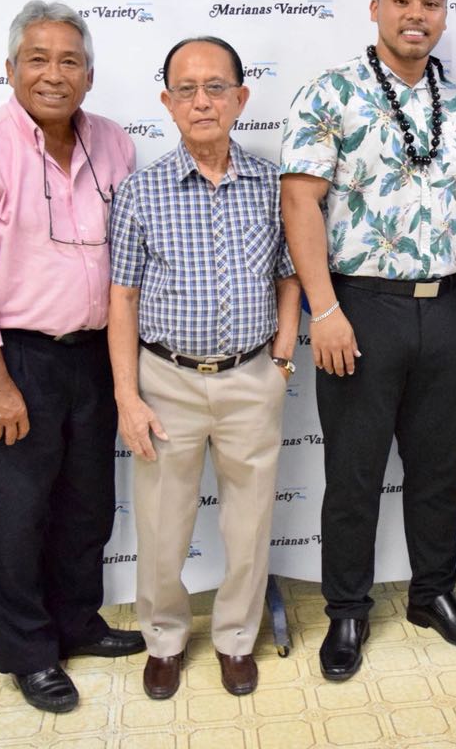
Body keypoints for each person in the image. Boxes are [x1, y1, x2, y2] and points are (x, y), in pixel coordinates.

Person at [279, 0, 456, 681]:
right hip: (358, 307)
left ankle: (433, 594)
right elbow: (300, 201)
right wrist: (325, 310)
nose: (416, 14)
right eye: (401, 0)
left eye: (431, 2)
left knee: (440, 471)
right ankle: (348, 609)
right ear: (376, 8)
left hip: (448, 307)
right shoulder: (329, 93)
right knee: (353, 471)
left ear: (445, 14)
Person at [0, 0, 142, 713]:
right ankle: (29, 652)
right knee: (12, 515)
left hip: (93, 355)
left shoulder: (113, 143)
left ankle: (77, 623)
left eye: (70, 60)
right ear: (11, 68)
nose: (54, 74)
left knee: (85, 507)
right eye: (38, 59)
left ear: (89, 74)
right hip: (10, 359)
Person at [107, 36, 301, 700]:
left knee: (248, 523)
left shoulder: (273, 185)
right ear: (166, 102)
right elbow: (122, 298)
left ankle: (236, 639)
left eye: (216, 87)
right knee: (162, 525)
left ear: (241, 98)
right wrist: (128, 397)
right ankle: (163, 638)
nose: (201, 101)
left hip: (252, 378)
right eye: (185, 89)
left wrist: (279, 358)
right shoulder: (140, 191)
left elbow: (289, 275)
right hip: (167, 382)